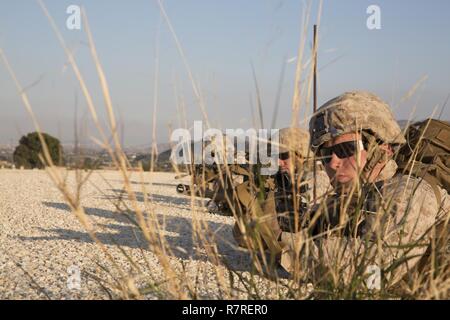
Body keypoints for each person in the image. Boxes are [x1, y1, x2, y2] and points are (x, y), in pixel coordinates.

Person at [294, 91, 450, 287]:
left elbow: (375, 274)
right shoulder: (360, 194)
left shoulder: (409, 193)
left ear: (382, 149)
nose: (333, 162)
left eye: (346, 149)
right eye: (325, 154)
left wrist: (296, 251)